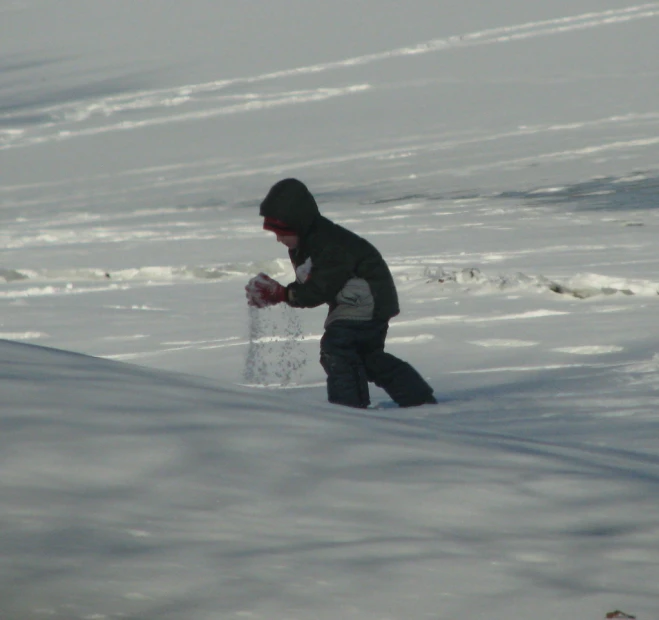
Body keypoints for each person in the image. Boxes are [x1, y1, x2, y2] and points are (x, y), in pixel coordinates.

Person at [245, 178, 436, 409]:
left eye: (283, 233)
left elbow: (320, 288)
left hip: (365, 300)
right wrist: (284, 292)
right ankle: (417, 398)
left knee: (337, 349)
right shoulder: (308, 243)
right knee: (367, 358)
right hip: (366, 301)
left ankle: (348, 409)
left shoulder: (329, 244)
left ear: (299, 225)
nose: (279, 239)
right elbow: (313, 283)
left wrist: (284, 294)